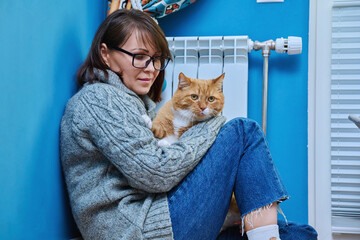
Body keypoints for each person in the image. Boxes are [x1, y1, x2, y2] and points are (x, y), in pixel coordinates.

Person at [60, 9, 318, 240]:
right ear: (105, 54)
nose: (151, 69)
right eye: (140, 57)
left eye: (156, 59)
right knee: (242, 131)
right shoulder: (98, 99)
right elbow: (156, 173)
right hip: (139, 229)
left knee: (302, 234)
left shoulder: (138, 102)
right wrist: (211, 123)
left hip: (161, 214)